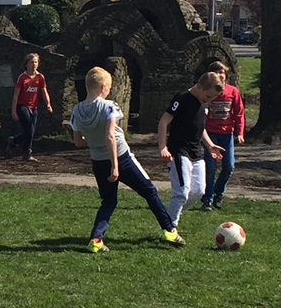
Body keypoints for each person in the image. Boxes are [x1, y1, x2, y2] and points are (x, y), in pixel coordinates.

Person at [69, 67, 183, 251]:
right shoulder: (108, 106)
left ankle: (96, 240)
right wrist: (115, 166)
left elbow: (78, 142)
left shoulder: (77, 111)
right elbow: (110, 136)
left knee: (108, 201)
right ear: (103, 87)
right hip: (121, 159)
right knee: (149, 191)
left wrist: (93, 141)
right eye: (109, 87)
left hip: (98, 161)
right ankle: (169, 230)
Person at [158, 72, 225, 229]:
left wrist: (210, 145)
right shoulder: (181, 99)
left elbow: (199, 128)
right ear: (200, 87)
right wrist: (162, 147)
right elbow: (163, 121)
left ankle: (170, 216)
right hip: (180, 151)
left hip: (197, 151)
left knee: (199, 191)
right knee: (182, 191)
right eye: (208, 97)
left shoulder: (203, 103)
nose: (208, 101)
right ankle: (170, 228)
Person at [199, 58, 245, 212]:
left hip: (227, 134)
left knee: (229, 166)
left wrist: (240, 132)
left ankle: (218, 194)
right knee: (210, 168)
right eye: (217, 73)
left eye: (222, 73)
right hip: (211, 134)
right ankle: (207, 200)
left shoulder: (233, 92)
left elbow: (239, 113)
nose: (220, 75)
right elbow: (202, 111)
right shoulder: (208, 92)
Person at [9, 52, 53, 161]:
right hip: (22, 106)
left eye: (36, 62)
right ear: (26, 64)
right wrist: (14, 111)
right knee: (29, 128)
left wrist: (48, 104)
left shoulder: (40, 77)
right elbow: (16, 95)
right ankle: (27, 153)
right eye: (31, 62)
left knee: (31, 131)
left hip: (34, 107)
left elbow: (44, 92)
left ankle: (14, 141)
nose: (34, 64)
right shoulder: (22, 78)